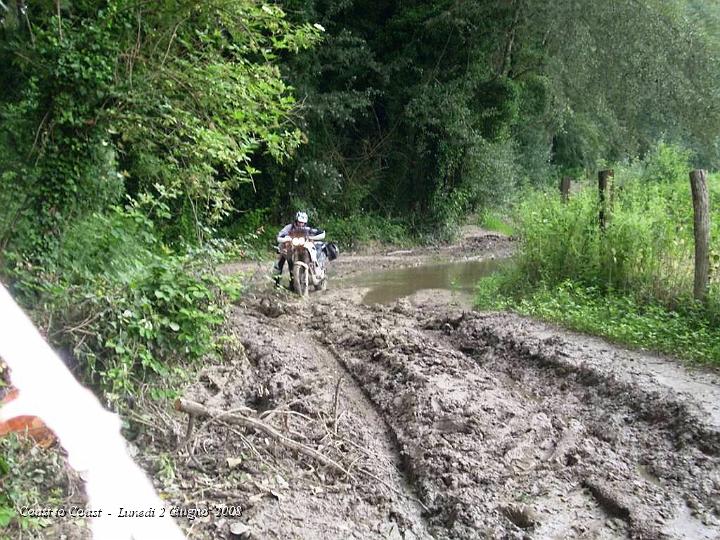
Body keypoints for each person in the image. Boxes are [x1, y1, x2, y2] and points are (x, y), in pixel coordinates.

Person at [273, 211, 325, 288]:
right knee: (280, 260)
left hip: (303, 246)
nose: (301, 224)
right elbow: (280, 236)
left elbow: (321, 233)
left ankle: (315, 267)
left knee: (313, 249)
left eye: (303, 223)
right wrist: (285, 238)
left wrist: (312, 237)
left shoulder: (307, 229)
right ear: (296, 221)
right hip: (291, 246)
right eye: (299, 222)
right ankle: (277, 283)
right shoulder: (289, 228)